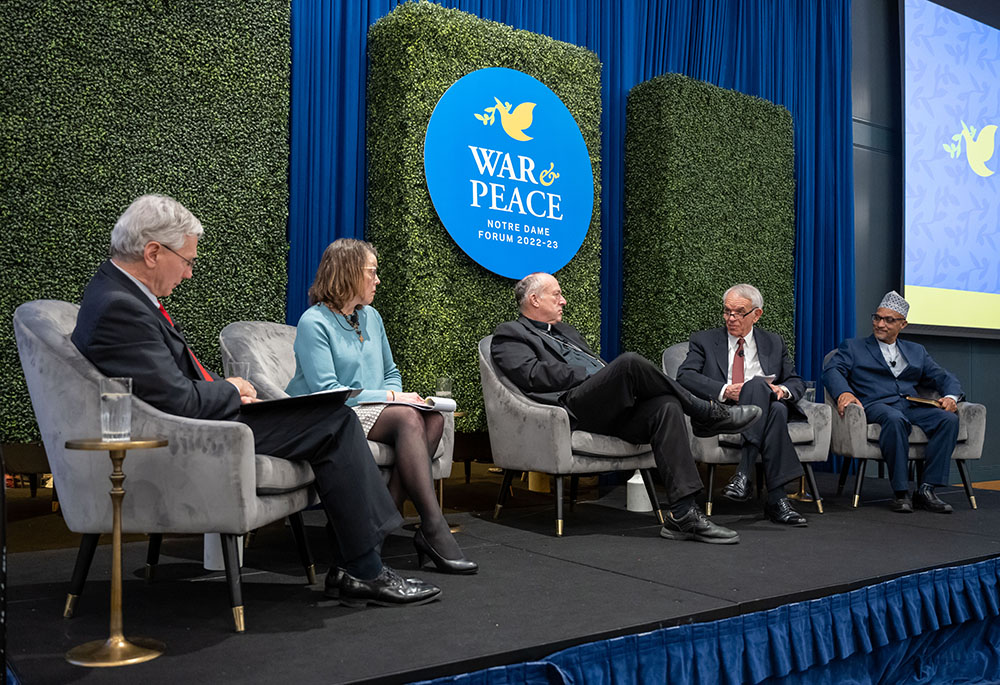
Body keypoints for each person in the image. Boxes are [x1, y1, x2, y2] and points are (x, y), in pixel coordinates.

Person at [71, 194, 440, 607]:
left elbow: (166, 383)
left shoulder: (120, 296)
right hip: (200, 433)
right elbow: (175, 398)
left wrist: (227, 386)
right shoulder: (120, 307)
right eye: (188, 261)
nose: (189, 274)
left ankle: (358, 563)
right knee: (334, 421)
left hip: (207, 421)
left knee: (333, 420)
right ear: (153, 252)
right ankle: (365, 568)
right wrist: (230, 390)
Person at [491, 272, 763, 545]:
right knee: (629, 362)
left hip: (607, 410)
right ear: (534, 300)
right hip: (570, 408)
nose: (563, 301)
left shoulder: (566, 332)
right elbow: (529, 374)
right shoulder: (509, 334)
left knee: (665, 406)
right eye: (556, 295)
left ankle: (683, 515)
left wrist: (604, 377)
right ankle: (707, 413)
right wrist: (586, 375)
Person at [285, 239, 477, 574]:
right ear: (347, 273)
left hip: (370, 410)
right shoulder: (313, 322)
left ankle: (379, 524)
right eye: (371, 272)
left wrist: (393, 394)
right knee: (407, 416)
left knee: (433, 420)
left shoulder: (371, 317)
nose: (377, 280)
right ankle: (433, 527)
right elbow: (328, 391)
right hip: (330, 415)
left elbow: (391, 372)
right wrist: (393, 399)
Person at [676, 284, 808, 526]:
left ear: (757, 314)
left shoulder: (774, 342)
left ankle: (745, 475)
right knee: (763, 395)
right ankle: (775, 500)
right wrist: (725, 390)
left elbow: (795, 381)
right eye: (727, 311)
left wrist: (782, 390)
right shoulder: (704, 340)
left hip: (763, 409)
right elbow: (685, 376)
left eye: (739, 312)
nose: (731, 318)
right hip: (721, 411)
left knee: (768, 397)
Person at [823, 290, 963, 514]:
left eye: (889, 320)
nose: (880, 324)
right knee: (894, 419)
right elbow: (832, 370)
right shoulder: (854, 347)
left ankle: (926, 489)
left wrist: (950, 397)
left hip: (911, 405)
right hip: (876, 405)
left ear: (903, 324)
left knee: (947, 419)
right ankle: (900, 492)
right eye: (877, 318)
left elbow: (943, 377)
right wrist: (844, 393)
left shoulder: (916, 351)